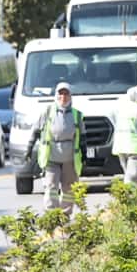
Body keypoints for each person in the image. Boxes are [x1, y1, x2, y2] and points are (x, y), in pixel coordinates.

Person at [26, 82, 86, 215]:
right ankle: (52, 215)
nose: (63, 97)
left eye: (66, 94)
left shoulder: (77, 115)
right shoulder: (47, 112)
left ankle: (65, 215)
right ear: (56, 95)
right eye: (60, 93)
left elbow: (82, 137)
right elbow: (36, 131)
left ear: (70, 96)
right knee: (51, 186)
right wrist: (29, 148)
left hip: (69, 158)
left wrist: (85, 154)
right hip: (52, 156)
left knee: (69, 188)